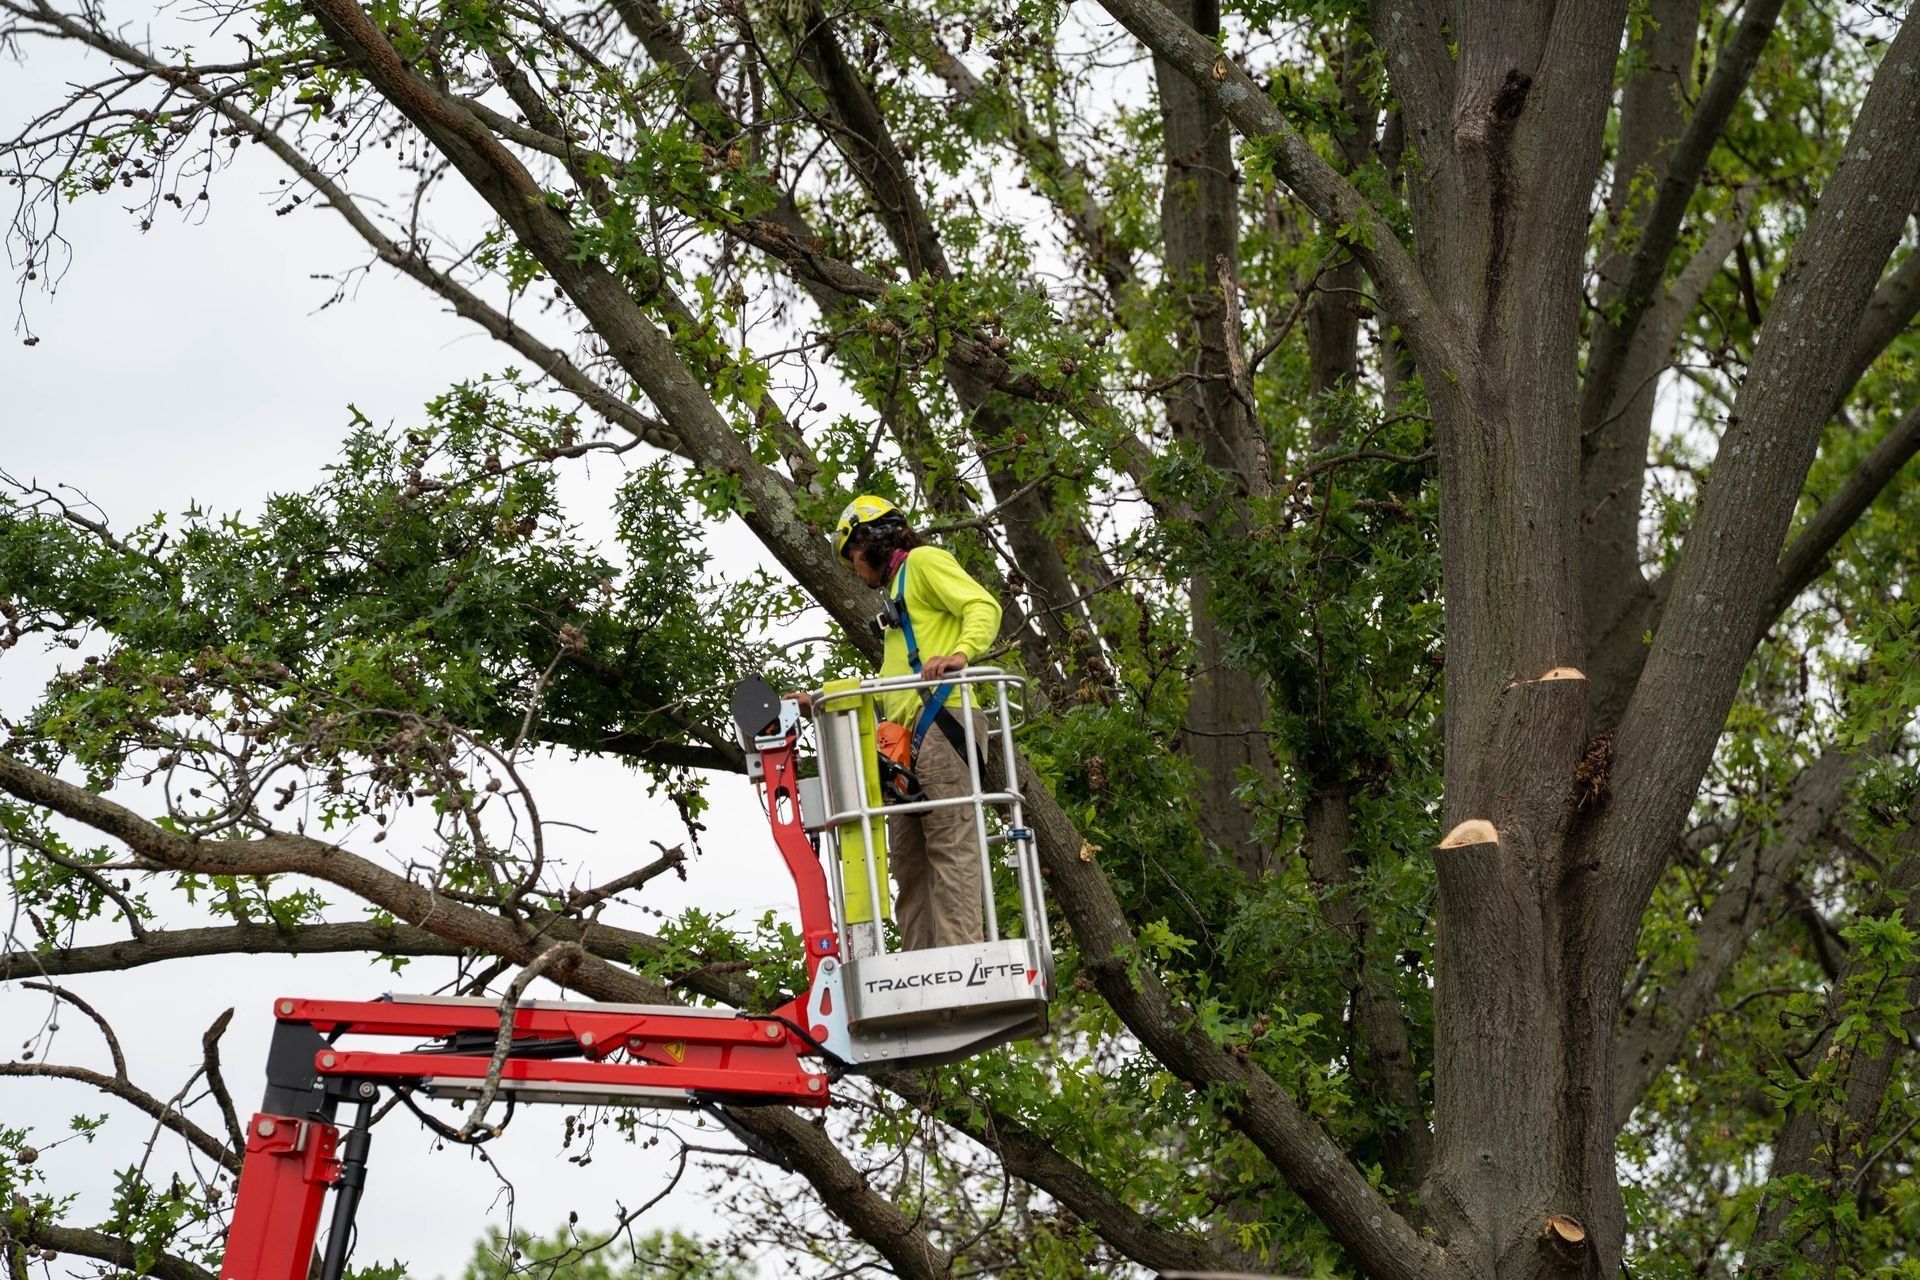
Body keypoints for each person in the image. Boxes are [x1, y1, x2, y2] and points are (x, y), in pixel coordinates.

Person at [828, 494, 1002, 951]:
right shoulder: (898, 593)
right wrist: (823, 702)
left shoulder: (924, 562)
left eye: (852, 557)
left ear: (869, 541)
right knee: (908, 863)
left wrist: (960, 654)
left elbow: (983, 607)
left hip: (944, 723)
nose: (854, 568)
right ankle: (920, 965)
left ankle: (962, 961)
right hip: (907, 741)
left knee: (950, 845)